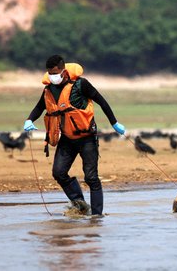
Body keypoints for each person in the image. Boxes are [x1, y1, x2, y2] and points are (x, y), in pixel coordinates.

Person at [23, 54, 126, 216]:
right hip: (67, 139)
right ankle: (80, 204)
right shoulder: (49, 89)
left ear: (63, 71)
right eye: (50, 74)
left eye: (55, 73)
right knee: (58, 173)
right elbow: (39, 107)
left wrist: (114, 123)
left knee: (91, 178)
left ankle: (97, 216)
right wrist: (29, 120)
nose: (53, 77)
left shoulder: (80, 84)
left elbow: (102, 101)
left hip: (87, 138)